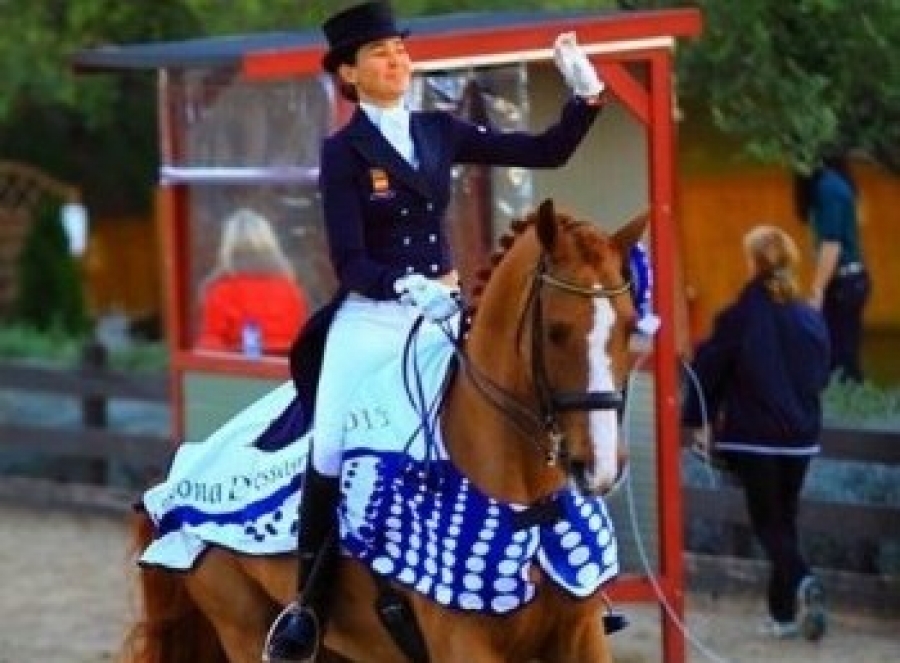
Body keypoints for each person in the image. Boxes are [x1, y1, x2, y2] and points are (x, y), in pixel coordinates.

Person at [263, 2, 609, 661]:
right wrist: (402, 284)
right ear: (349, 75)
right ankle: (306, 604)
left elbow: (543, 151)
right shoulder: (342, 153)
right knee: (331, 444)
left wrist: (585, 94)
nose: (397, 59)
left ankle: (570, 582)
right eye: (380, 53)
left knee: (509, 418)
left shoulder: (436, 131)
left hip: (442, 315)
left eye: (400, 48)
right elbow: (349, 260)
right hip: (370, 317)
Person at [682, 225, 831, 641]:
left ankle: (804, 580)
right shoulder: (810, 320)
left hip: (754, 438)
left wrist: (700, 422)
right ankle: (782, 616)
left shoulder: (738, 318)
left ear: (752, 263)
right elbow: (820, 377)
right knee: (785, 523)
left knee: (768, 526)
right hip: (801, 440)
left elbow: (708, 371)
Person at [795, 151, 871, 383]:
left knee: (839, 356)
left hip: (844, 282)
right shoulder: (836, 184)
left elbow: (831, 244)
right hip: (849, 280)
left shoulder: (829, 188)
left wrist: (817, 291)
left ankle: (848, 404)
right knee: (842, 353)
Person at [196, 208, 310, 356]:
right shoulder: (291, 290)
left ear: (227, 246)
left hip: (239, 375)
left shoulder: (222, 291)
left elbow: (211, 349)